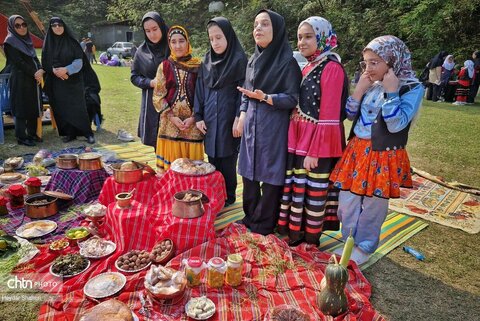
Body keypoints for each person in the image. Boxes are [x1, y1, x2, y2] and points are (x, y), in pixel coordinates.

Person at [330, 35, 424, 264]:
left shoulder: (411, 87)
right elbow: (350, 115)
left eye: (374, 62)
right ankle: (349, 239)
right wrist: (359, 90)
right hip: (357, 150)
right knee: (347, 201)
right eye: (365, 63)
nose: (368, 68)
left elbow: (397, 124)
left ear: (391, 62)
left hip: (383, 153)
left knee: (373, 204)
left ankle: (364, 246)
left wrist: (392, 92)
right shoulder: (370, 83)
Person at [277, 16, 347, 246]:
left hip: (317, 141)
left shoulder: (331, 68)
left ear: (323, 38)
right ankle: (295, 233)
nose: (302, 42)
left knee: (313, 188)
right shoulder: (309, 65)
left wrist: (315, 151)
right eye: (299, 37)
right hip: (299, 137)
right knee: (298, 185)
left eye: (309, 37)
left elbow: (329, 115)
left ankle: (310, 238)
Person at [236, 10, 302, 235]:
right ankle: (250, 216)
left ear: (277, 29)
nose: (258, 28)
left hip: (273, 126)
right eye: (256, 24)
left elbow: (293, 97)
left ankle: (264, 222)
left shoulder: (287, 62)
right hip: (251, 124)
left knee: (270, 174)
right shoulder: (252, 60)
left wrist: (267, 97)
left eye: (264, 24)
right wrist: (242, 114)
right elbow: (246, 92)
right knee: (249, 172)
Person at [194, 17, 247, 207]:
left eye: (219, 37)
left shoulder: (240, 61)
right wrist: (198, 116)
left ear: (229, 37)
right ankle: (215, 192)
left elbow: (243, 93)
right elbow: (200, 91)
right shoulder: (206, 63)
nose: (215, 43)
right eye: (211, 38)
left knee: (228, 159)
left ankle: (229, 195)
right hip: (209, 119)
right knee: (213, 158)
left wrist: (238, 117)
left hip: (228, 120)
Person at [152, 25, 204, 171]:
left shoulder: (199, 66)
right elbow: (158, 95)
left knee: (192, 169)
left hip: (192, 126)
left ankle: (192, 193)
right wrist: (171, 117)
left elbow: (203, 95)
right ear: (169, 44)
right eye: (173, 42)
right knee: (171, 170)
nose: (178, 46)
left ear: (188, 42)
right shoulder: (164, 66)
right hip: (169, 124)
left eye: (181, 41)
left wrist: (194, 117)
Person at [41, 17, 95, 144]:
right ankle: (70, 133)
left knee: (78, 107)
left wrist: (66, 70)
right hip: (56, 81)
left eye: (60, 24)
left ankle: (87, 133)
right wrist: (55, 71)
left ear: (64, 26)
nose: (57, 27)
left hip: (73, 81)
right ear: (51, 28)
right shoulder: (48, 43)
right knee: (62, 107)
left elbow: (79, 61)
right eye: (54, 25)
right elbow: (45, 62)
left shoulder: (72, 42)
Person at [3, 15, 45, 146]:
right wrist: (35, 73)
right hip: (20, 79)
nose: (21, 27)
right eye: (17, 25)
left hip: (33, 79)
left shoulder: (27, 41)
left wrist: (40, 69)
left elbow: (34, 58)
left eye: (24, 24)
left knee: (32, 106)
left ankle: (32, 134)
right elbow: (19, 62)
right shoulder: (10, 41)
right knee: (21, 108)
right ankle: (21, 137)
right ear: (12, 27)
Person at [131, 12, 170, 150]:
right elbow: (134, 76)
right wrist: (150, 83)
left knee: (174, 143)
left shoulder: (173, 45)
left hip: (174, 101)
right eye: (148, 31)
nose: (152, 34)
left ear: (162, 26)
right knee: (157, 142)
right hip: (152, 103)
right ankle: (161, 171)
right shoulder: (141, 51)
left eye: (155, 29)